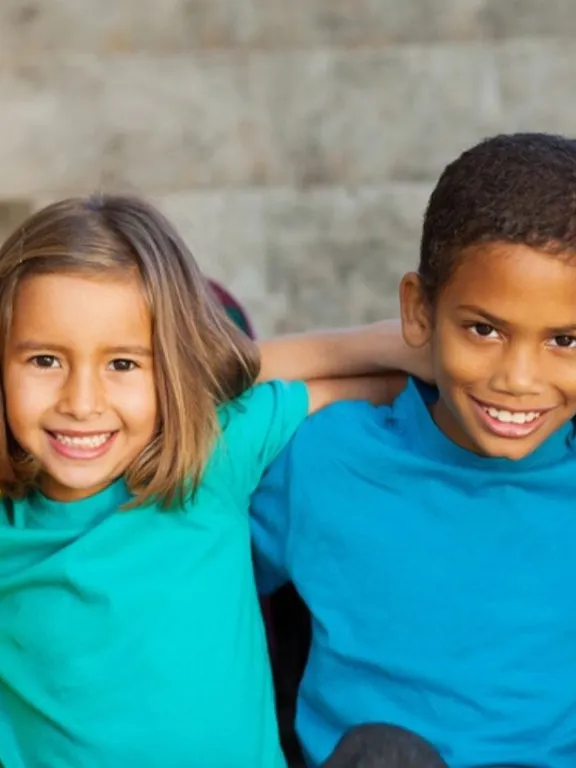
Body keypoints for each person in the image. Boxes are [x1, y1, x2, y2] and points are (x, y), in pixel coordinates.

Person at [0, 194, 427, 768]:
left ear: (176, 371)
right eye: (45, 360)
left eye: (123, 363)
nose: (81, 403)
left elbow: (392, 381)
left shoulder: (212, 454)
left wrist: (387, 341)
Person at [251, 132, 576, 768]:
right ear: (418, 312)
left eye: (564, 340)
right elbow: (166, 399)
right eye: (483, 329)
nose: (518, 378)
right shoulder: (326, 460)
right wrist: (367, 348)